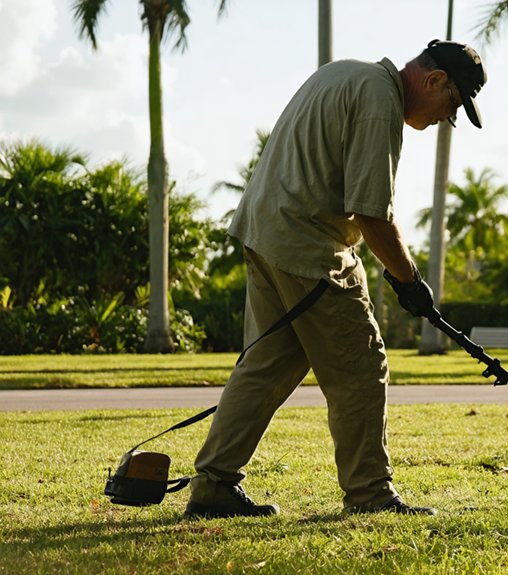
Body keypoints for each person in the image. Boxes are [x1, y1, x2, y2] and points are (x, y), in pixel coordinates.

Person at [184, 39, 487, 518]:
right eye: (450, 106)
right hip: (309, 245)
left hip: (264, 232)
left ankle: (213, 485)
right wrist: (409, 281)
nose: (442, 120)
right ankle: (370, 495)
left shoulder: (346, 72)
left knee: (268, 365)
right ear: (434, 81)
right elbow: (371, 212)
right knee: (362, 367)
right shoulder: (379, 100)